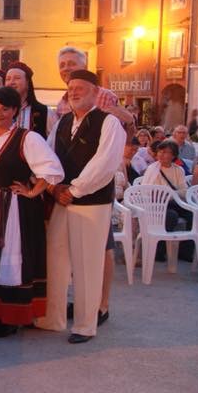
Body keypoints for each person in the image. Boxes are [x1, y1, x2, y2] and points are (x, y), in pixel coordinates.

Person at [0, 87, 63, 337]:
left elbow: (52, 168)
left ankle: (9, 318)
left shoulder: (27, 138)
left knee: (9, 260)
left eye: (4, 109)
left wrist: (32, 191)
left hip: (13, 209)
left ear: (15, 110)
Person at [37, 70, 125, 344]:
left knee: (88, 264)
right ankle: (53, 318)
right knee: (55, 259)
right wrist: (54, 188)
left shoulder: (109, 122)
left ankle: (85, 325)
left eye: (80, 88)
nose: (74, 92)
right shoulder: (63, 122)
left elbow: (104, 164)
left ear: (95, 92)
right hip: (62, 200)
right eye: (71, 88)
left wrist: (73, 190)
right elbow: (48, 157)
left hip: (91, 203)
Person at [5, 62, 57, 137]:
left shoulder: (45, 112)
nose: (11, 82)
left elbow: (54, 141)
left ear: (27, 82)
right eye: (8, 79)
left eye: (17, 78)